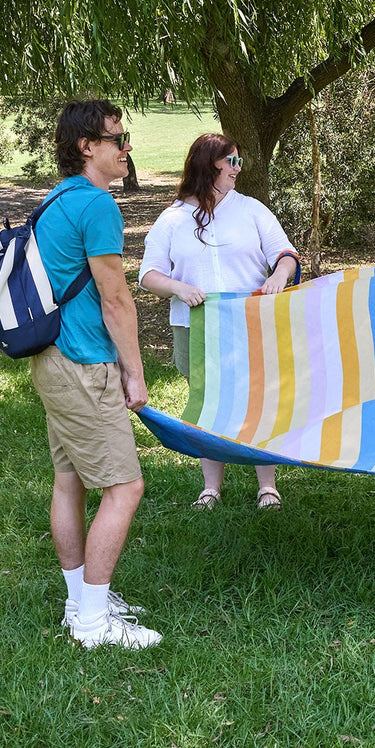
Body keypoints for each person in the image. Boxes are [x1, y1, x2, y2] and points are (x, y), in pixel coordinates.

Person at [28, 100, 161, 649]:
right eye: (118, 138)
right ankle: (91, 622)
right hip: (84, 364)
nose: (127, 147)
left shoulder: (54, 200)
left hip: (51, 359)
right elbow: (116, 299)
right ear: (88, 147)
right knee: (125, 487)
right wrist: (134, 373)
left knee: (70, 479)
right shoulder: (97, 204)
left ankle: (78, 600)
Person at [139, 133, 300, 512]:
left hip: (251, 322)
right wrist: (178, 287)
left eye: (239, 162)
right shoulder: (173, 219)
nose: (238, 170)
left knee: (258, 402)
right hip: (196, 328)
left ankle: (268, 488)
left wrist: (280, 274)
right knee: (209, 405)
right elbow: (148, 274)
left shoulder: (252, 209)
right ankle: (210, 489)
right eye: (233, 162)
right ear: (210, 165)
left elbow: (286, 253)